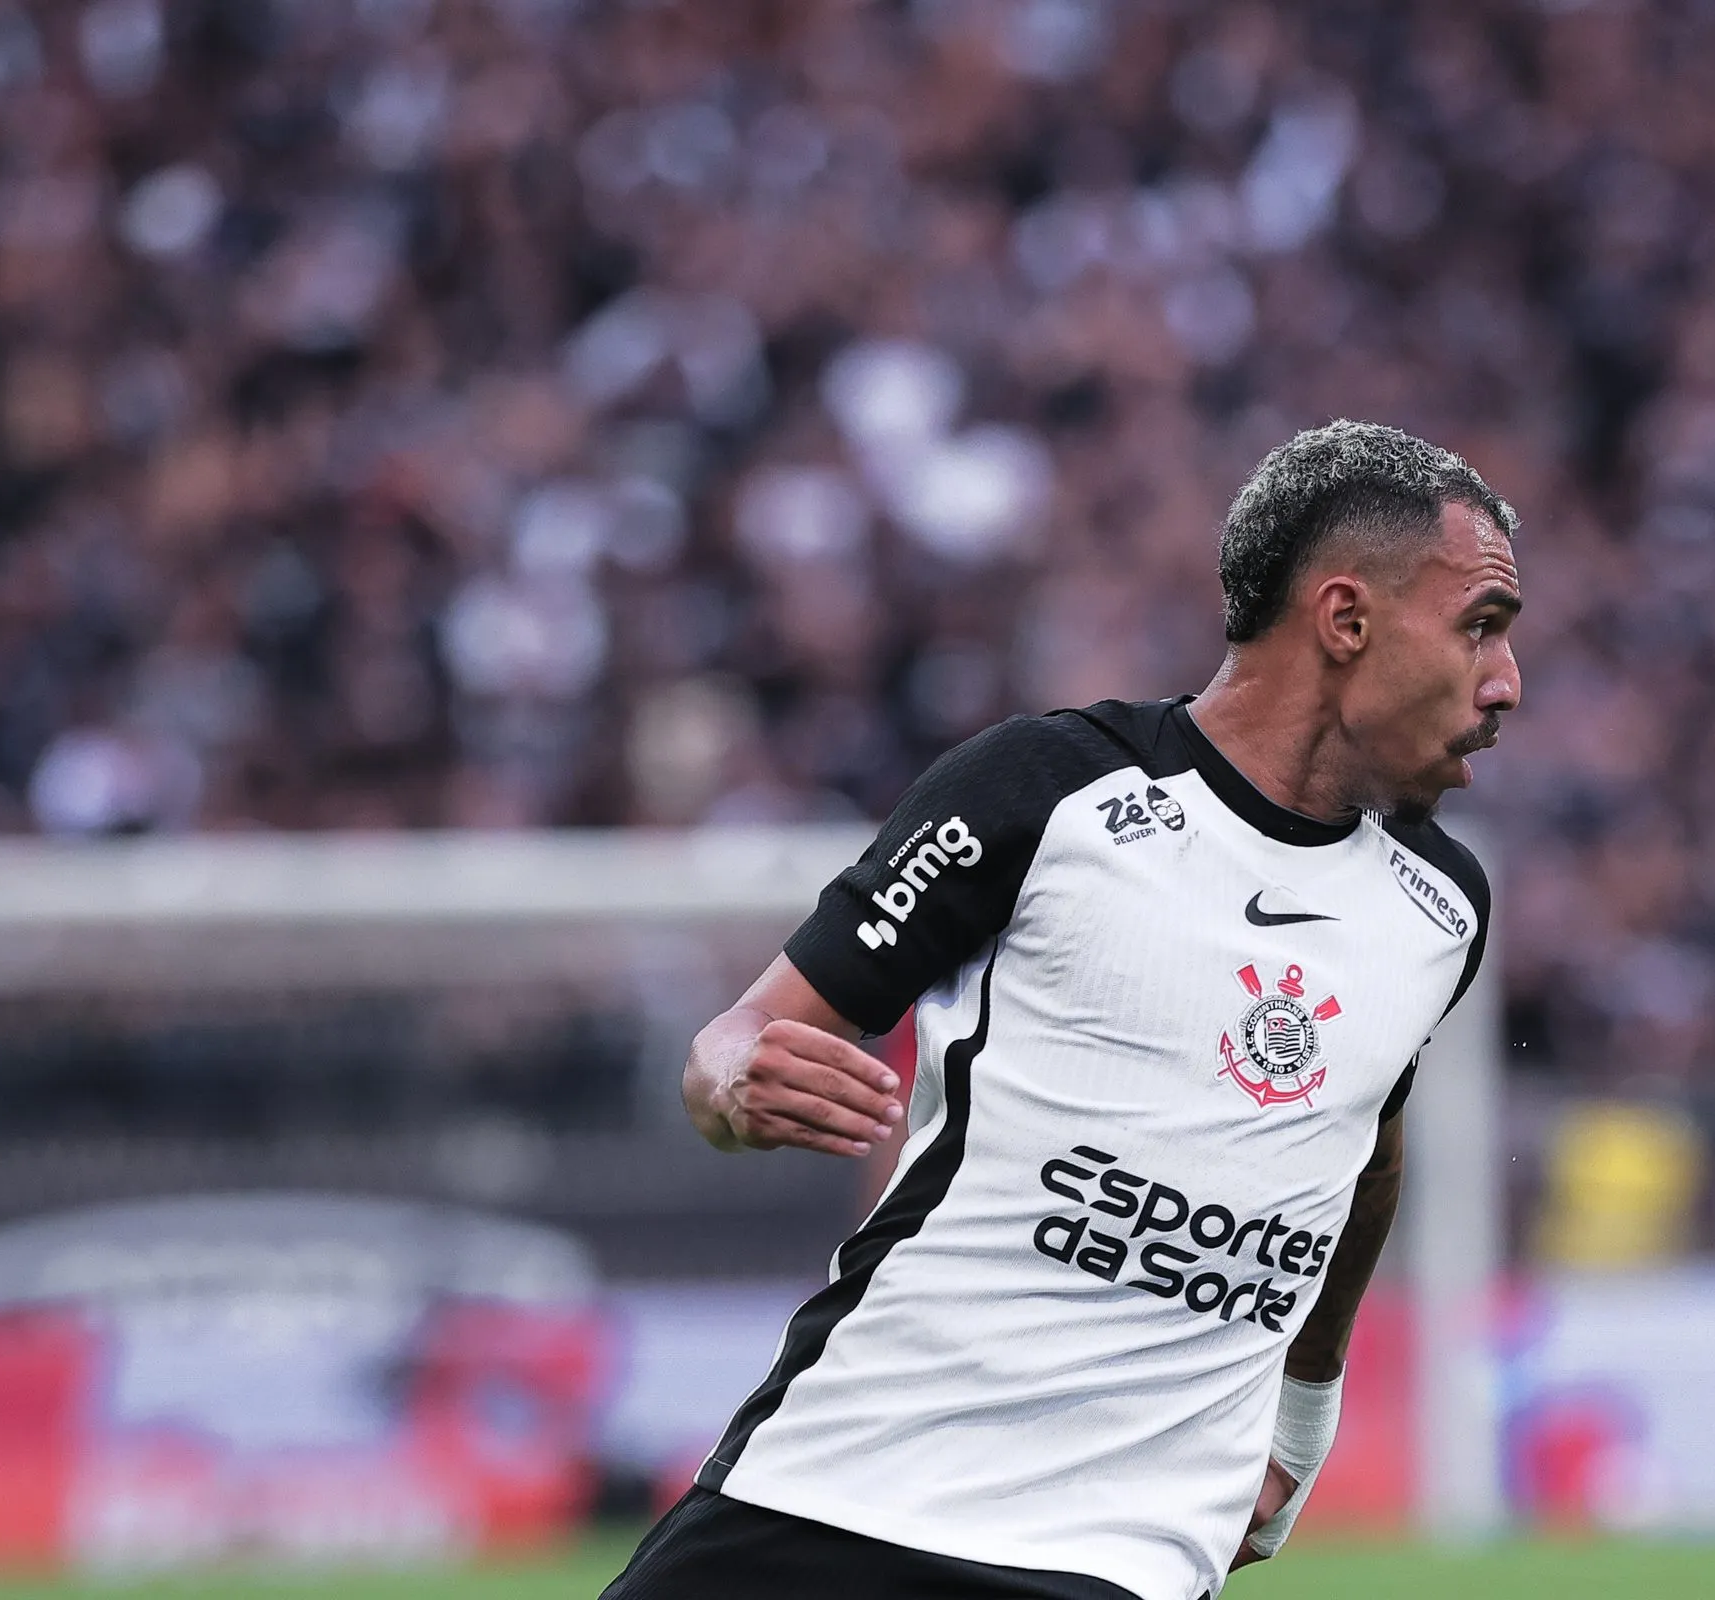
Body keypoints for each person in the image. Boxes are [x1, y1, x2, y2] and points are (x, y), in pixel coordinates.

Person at [602, 421, 1519, 1600]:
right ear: (1345, 620)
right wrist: (734, 1080)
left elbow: (1363, 1148)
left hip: (1115, 1558)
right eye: (1479, 628)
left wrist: (1304, 1409)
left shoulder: (1437, 907)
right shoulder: (1049, 791)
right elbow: (736, 1041)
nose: (1505, 683)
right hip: (831, 1485)